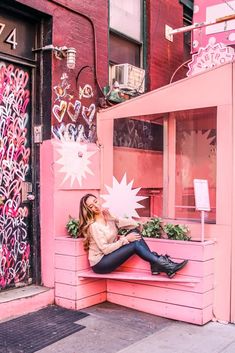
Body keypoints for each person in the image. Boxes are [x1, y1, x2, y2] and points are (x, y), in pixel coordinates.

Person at [78, 193, 188, 278]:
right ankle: (164, 265)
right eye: (91, 206)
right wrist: (125, 239)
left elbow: (134, 225)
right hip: (100, 264)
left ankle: (157, 264)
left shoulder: (110, 219)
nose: (96, 206)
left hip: (109, 257)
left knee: (134, 232)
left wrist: (114, 218)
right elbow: (105, 250)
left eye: (96, 201)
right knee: (134, 243)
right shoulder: (94, 226)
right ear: (89, 211)